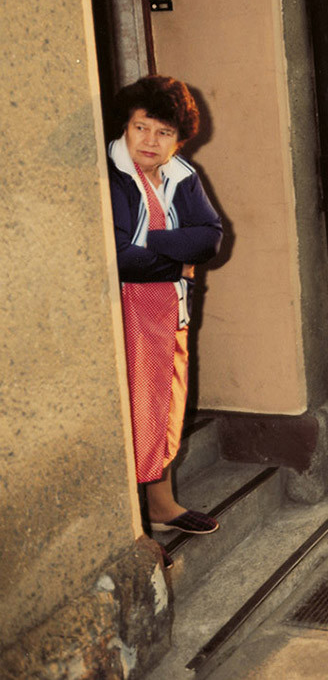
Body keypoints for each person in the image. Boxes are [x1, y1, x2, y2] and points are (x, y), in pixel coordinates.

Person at [108, 76, 223, 542]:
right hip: (124, 311)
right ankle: (131, 523)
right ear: (126, 126)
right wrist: (178, 258)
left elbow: (210, 237)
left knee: (165, 402)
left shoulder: (181, 174)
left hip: (169, 307)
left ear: (178, 140)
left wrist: (152, 243)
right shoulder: (112, 174)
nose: (150, 141)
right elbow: (119, 257)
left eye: (164, 133)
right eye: (141, 127)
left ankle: (160, 505)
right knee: (135, 406)